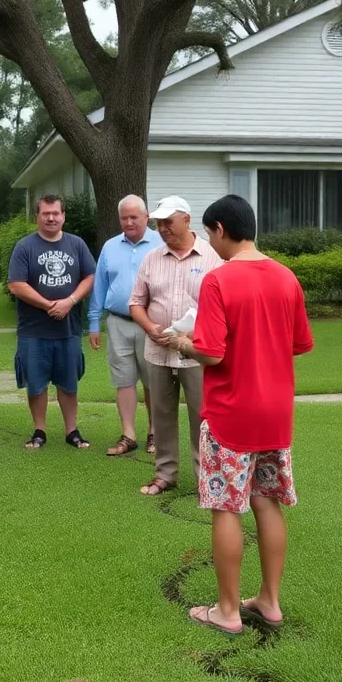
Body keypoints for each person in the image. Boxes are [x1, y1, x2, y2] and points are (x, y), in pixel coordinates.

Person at [168, 194, 314, 636]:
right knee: (267, 501)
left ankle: (227, 611)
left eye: (210, 235)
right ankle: (269, 600)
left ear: (218, 230)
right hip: (275, 413)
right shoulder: (287, 277)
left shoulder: (218, 280)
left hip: (231, 413)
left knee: (225, 508)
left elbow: (210, 353)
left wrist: (183, 343)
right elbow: (300, 343)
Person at [128, 196, 222, 496]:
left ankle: (204, 478)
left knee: (202, 416)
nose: (163, 227)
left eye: (169, 221)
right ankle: (165, 474)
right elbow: (136, 302)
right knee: (162, 414)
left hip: (196, 354)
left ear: (187, 220)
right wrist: (148, 326)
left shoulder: (213, 257)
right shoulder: (152, 258)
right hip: (157, 352)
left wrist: (197, 337)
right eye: (158, 222)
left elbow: (224, 307)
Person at [7, 194, 96, 450]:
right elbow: (16, 285)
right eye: (45, 213)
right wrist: (48, 306)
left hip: (68, 330)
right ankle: (39, 431)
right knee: (36, 383)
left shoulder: (76, 244)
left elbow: (90, 276)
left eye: (56, 213)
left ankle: (72, 431)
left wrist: (69, 301)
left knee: (68, 382)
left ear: (63, 216)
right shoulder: (25, 247)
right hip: (33, 330)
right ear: (37, 216)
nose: (51, 218)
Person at [87, 194, 160, 456]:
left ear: (146, 216)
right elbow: (100, 286)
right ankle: (128, 435)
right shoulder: (110, 246)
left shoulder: (160, 243)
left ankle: (155, 433)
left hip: (151, 323)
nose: (128, 222)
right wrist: (94, 322)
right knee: (124, 380)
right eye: (124, 217)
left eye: (134, 217)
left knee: (154, 382)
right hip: (117, 322)